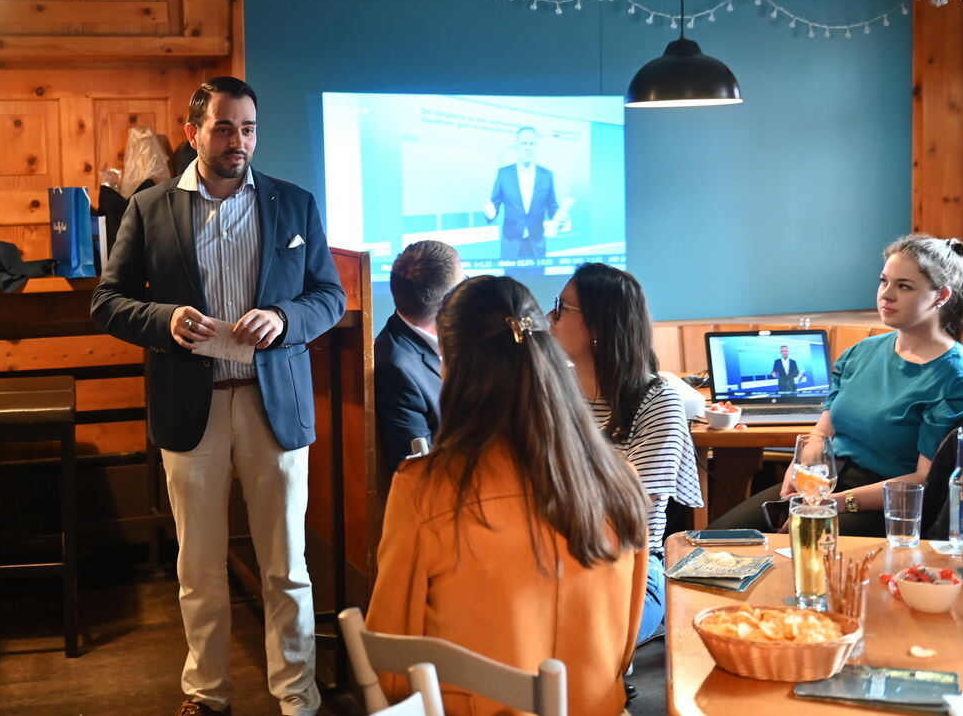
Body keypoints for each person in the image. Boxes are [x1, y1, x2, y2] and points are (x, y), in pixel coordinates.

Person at [91, 76, 345, 716]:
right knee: (197, 568)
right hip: (190, 408)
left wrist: (286, 319)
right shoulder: (150, 209)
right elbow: (110, 301)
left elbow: (330, 297)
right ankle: (206, 695)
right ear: (192, 132)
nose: (239, 142)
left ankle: (297, 696)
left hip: (274, 407)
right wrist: (165, 322)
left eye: (249, 128)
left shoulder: (294, 203)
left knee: (287, 566)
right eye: (225, 128)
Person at [367, 276, 649, 716]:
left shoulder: (422, 488)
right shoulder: (621, 480)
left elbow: (393, 668)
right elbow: (624, 648)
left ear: (451, 366)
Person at [712, 234, 963, 536]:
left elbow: (924, 479)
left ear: (941, 296)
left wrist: (836, 502)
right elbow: (822, 432)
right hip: (826, 482)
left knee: (792, 547)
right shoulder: (861, 352)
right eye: (884, 281)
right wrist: (800, 473)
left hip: (888, 506)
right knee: (716, 537)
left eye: (904, 286)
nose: (886, 295)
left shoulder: (957, 376)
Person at [549, 263, 703, 644]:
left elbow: (627, 508)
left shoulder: (657, 399)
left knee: (580, 639)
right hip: (552, 556)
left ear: (599, 325)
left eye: (562, 307)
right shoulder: (552, 390)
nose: (549, 316)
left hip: (629, 565)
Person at [374, 240, 463, 469]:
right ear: (448, 301)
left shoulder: (472, 332)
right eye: (463, 282)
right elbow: (418, 470)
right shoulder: (395, 368)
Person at [483, 127, 559, 262]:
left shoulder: (546, 175)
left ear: (536, 146)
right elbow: (494, 204)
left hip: (536, 245)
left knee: (539, 282)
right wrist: (490, 214)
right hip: (511, 244)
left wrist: (560, 218)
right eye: (524, 144)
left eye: (532, 144)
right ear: (517, 146)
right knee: (508, 283)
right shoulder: (504, 174)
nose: (528, 148)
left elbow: (552, 206)